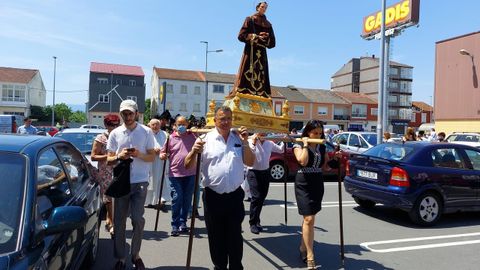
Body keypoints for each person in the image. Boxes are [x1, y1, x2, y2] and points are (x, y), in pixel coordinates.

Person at [185, 106, 255, 270]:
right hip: (213, 196)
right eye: (222, 118)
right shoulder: (204, 139)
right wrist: (194, 152)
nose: (225, 122)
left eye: (229, 118)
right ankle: (219, 266)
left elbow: (251, 162)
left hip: (234, 196)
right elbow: (188, 166)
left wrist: (246, 142)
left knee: (235, 236)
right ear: (215, 120)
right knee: (216, 237)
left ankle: (236, 267)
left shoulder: (239, 139)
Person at [106, 100, 156, 270]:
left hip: (140, 181)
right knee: (119, 222)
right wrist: (120, 156)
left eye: (130, 113)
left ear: (137, 114)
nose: (127, 117)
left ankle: (135, 255)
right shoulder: (115, 133)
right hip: (122, 182)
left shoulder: (146, 131)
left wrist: (138, 154)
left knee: (137, 219)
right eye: (124, 114)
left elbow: (151, 157)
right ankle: (121, 257)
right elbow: (109, 160)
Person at [293, 120, 339, 270]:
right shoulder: (298, 144)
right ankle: (310, 256)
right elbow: (302, 160)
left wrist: (335, 160)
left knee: (309, 220)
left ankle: (302, 247)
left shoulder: (322, 147)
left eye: (320, 133)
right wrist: (306, 144)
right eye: (315, 133)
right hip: (303, 183)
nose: (318, 135)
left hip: (317, 183)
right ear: (308, 132)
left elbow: (325, 167)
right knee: (308, 218)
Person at [227, 1, 275, 98]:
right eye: (262, 7)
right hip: (251, 50)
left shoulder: (268, 25)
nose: (264, 9)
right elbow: (241, 35)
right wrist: (253, 36)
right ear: (257, 7)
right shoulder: (250, 20)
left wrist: (266, 38)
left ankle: (260, 94)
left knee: (262, 75)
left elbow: (273, 43)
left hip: (262, 54)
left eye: (265, 7)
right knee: (247, 71)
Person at [159, 115, 197, 237]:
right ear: (174, 125)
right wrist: (163, 155)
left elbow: (203, 142)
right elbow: (162, 152)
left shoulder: (193, 136)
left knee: (186, 199)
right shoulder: (170, 138)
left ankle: (183, 223)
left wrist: (196, 131)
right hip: (175, 173)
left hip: (190, 172)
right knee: (177, 197)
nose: (181, 126)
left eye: (184, 124)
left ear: (187, 125)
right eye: (179, 124)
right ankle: (175, 224)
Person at [247, 132, 283, 234]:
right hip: (253, 172)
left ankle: (257, 220)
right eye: (260, 131)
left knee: (262, 197)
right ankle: (252, 223)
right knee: (256, 197)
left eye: (265, 131)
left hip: (265, 172)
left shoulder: (269, 143)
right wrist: (254, 143)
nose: (263, 133)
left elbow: (281, 150)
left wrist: (283, 140)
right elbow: (250, 153)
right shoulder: (250, 140)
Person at [91, 114, 120, 237]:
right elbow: (93, 156)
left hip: (120, 170)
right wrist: (109, 156)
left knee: (118, 198)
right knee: (108, 198)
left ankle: (110, 218)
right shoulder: (101, 138)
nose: (114, 127)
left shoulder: (122, 136)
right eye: (111, 125)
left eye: (116, 124)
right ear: (106, 125)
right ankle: (112, 223)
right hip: (105, 171)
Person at [145, 118, 170, 210]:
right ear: (149, 125)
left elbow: (170, 147)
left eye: (157, 124)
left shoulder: (165, 134)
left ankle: (160, 199)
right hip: (150, 161)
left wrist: (163, 151)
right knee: (150, 180)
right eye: (153, 124)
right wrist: (152, 151)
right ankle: (149, 201)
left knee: (160, 181)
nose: (155, 126)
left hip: (161, 161)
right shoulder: (146, 134)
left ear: (160, 125)